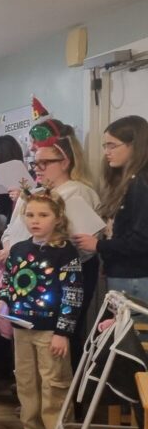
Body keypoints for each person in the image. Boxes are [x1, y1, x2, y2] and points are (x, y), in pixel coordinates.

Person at [0, 191, 83, 429]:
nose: (36, 221)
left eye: (43, 215)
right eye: (30, 215)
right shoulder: (20, 249)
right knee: (26, 380)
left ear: (57, 218)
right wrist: (2, 300)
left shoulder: (66, 253)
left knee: (54, 382)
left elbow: (72, 293)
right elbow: (9, 281)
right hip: (22, 327)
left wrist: (62, 332)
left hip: (50, 330)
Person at [75, 115, 148, 305]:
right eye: (104, 146)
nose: (107, 152)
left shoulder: (141, 183)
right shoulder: (125, 182)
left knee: (131, 334)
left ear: (135, 145)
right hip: (123, 273)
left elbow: (142, 241)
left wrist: (98, 246)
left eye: (112, 145)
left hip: (136, 277)